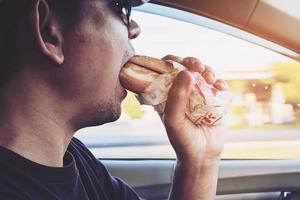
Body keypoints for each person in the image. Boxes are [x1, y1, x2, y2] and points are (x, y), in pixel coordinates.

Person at [0, 0, 227, 199]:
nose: (135, 29)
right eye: (121, 7)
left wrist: (199, 162)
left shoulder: (77, 160)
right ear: (49, 31)